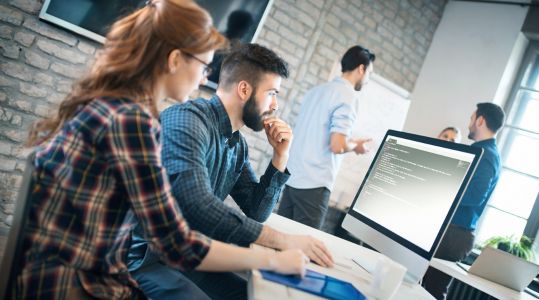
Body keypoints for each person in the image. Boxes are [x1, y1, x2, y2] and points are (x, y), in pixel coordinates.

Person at [13, 1, 307, 298]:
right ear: (175, 60)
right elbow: (178, 238)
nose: (205, 79)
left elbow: (182, 235)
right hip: (81, 283)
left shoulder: (120, 109)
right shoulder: (136, 122)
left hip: (86, 268)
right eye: (204, 67)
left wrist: (280, 157)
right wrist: (274, 256)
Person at [128, 43, 334, 300]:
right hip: (145, 258)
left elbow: (256, 210)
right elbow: (198, 205)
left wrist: (280, 157)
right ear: (245, 89)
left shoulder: (237, 145)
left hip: (187, 255)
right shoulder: (186, 120)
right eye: (272, 93)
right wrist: (283, 242)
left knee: (247, 294)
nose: (275, 105)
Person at [278, 45, 375, 229]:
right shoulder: (349, 96)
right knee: (304, 250)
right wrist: (356, 146)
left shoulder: (316, 91)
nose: (368, 79)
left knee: (280, 242)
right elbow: (337, 145)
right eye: (369, 73)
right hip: (314, 185)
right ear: (361, 69)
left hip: (292, 179)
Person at [422, 102, 505, 300]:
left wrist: (443, 190)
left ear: (480, 120)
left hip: (454, 233)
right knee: (423, 285)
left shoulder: (485, 155)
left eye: (471, 118)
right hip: (452, 230)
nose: (469, 124)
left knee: (431, 291)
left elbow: (476, 195)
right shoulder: (484, 152)